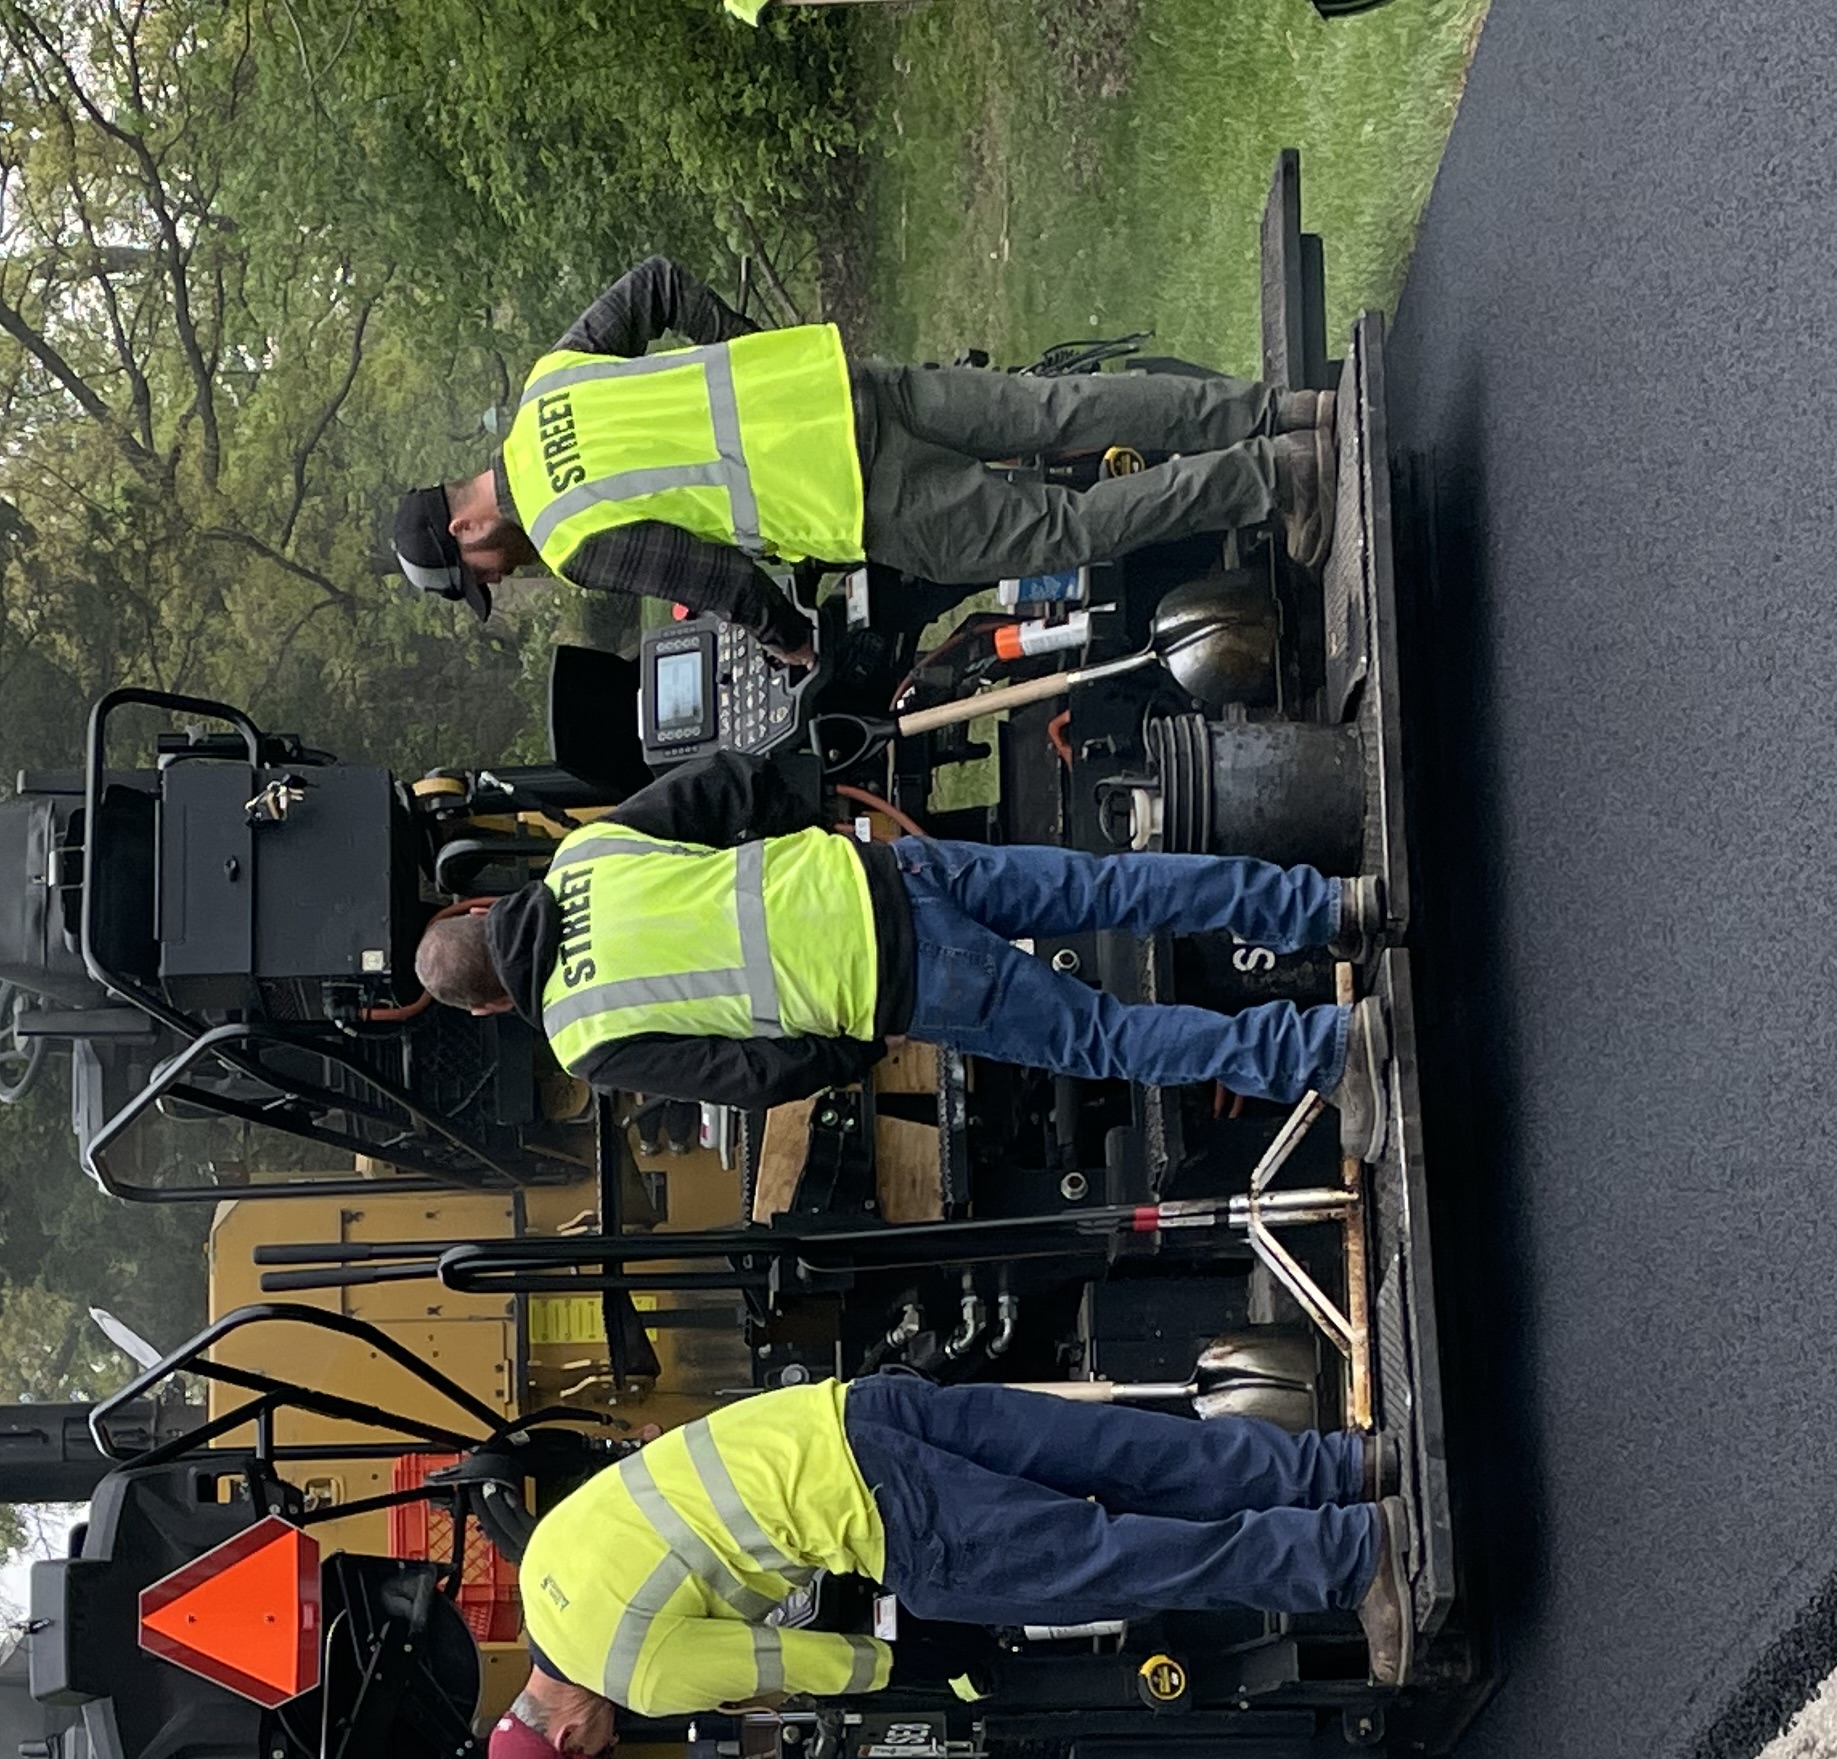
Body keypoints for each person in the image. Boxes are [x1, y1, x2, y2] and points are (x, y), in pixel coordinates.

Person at [486, 1377, 1414, 1759]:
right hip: (847, 1411)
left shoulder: (634, 1674)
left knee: (1110, 1564)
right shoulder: (538, 1565)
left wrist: (913, 1669)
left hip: (872, 1514)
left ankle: (1355, 1556)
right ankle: (1342, 1469)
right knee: (1113, 1452)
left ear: (569, 1738)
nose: (614, 1742)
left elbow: (810, 1662)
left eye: (600, 1753)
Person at [411, 743, 1396, 1147]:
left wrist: (849, 1054)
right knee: (1114, 886)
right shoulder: (585, 854)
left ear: (494, 1004)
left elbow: (744, 1078)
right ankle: (1330, 905)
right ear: (479, 909)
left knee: (1108, 1038)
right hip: (892, 872)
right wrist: (811, 821)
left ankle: (1325, 1050)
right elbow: (722, 783)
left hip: (904, 983)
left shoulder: (583, 1038)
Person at [387, 257, 1332, 652]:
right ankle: (1282, 410)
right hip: (847, 386)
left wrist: (792, 642)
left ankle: (1277, 475)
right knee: (1058, 407)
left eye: (478, 575)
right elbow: (660, 283)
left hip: (860, 496)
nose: (497, 580)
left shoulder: (567, 535)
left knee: (1065, 528)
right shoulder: (549, 382)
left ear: (464, 527)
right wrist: (754, 354)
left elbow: (714, 579)